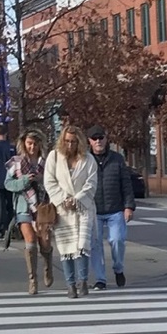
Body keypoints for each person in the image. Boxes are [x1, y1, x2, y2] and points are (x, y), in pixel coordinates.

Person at [45, 126, 97, 299]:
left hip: (83, 208)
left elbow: (91, 183)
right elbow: (49, 181)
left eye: (73, 142)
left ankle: (83, 281)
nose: (70, 145)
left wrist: (77, 199)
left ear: (79, 142)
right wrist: (64, 199)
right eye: (66, 141)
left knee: (82, 246)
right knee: (66, 247)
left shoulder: (88, 159)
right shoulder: (54, 157)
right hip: (62, 209)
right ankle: (70, 284)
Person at [3, 131, 53, 294]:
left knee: (44, 242)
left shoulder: (46, 163)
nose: (32, 147)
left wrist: (41, 181)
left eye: (35, 144)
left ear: (40, 145)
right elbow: (8, 184)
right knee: (30, 240)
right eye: (29, 143)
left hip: (42, 207)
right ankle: (33, 280)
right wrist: (24, 181)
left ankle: (48, 267)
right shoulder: (16, 163)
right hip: (23, 206)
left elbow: (54, 183)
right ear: (24, 143)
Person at [87, 125, 135, 289]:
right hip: (94, 210)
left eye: (101, 138)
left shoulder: (117, 159)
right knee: (95, 245)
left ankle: (118, 268)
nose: (98, 141)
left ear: (106, 139)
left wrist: (129, 206)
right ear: (90, 141)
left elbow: (126, 184)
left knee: (117, 240)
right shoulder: (86, 160)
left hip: (115, 209)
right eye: (95, 138)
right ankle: (100, 279)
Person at [0, 125, 15, 239]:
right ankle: (11, 225)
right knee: (10, 204)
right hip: (10, 179)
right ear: (6, 133)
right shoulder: (11, 148)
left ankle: (2, 227)